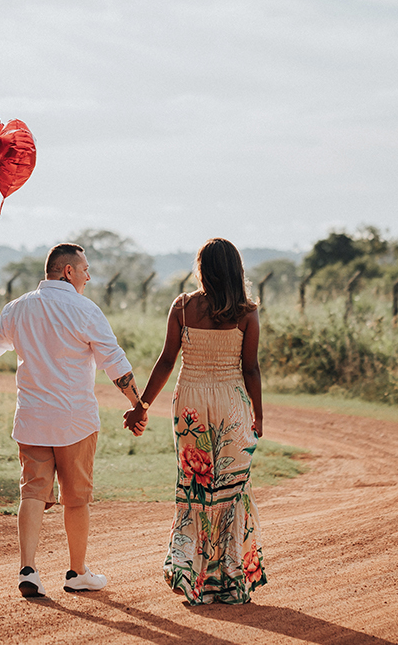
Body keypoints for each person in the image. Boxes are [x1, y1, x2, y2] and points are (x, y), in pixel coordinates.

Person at [0, 242, 147, 599]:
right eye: (84, 269)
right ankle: (77, 572)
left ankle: (28, 570)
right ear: (68, 271)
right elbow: (114, 361)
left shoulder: (18, 308)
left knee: (32, 492)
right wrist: (137, 405)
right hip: (75, 421)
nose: (88, 275)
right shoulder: (85, 309)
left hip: (32, 419)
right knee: (76, 497)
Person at [123, 237, 266, 605]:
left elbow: (167, 360)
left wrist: (143, 405)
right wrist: (258, 413)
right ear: (237, 269)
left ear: (201, 268)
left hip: (189, 403)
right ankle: (232, 582)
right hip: (231, 404)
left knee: (196, 487)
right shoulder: (247, 312)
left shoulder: (183, 307)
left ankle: (194, 581)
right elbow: (250, 368)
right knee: (232, 489)